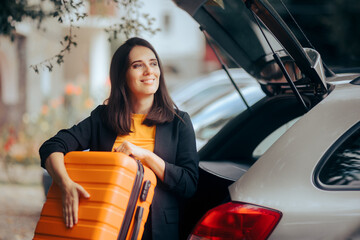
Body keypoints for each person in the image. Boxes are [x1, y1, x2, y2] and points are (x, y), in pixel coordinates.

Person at [39, 37, 199, 240]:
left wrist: (146, 156)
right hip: (108, 225)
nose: (149, 71)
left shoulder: (179, 122)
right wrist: (65, 184)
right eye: (137, 65)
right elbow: (52, 146)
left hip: (158, 231)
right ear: (122, 76)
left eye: (153, 63)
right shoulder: (103, 118)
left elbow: (189, 184)